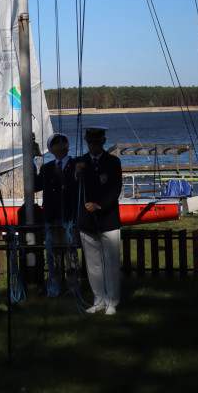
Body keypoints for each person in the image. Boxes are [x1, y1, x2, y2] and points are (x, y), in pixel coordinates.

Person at [75, 126, 122, 315]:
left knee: (110, 262)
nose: (92, 146)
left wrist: (99, 205)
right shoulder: (81, 162)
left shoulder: (113, 162)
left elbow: (114, 189)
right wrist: (76, 174)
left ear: (103, 142)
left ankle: (112, 301)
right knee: (93, 263)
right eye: (89, 142)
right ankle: (98, 299)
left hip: (108, 218)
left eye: (96, 142)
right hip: (87, 221)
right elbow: (70, 187)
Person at [35, 132, 79, 292]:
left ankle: (73, 287)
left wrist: (63, 177)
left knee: (71, 253)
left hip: (68, 216)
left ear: (67, 146)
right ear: (51, 149)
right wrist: (32, 165)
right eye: (55, 143)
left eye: (62, 142)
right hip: (51, 216)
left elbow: (77, 184)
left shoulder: (75, 165)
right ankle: (54, 287)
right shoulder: (47, 168)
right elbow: (35, 186)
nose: (59, 146)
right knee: (53, 254)